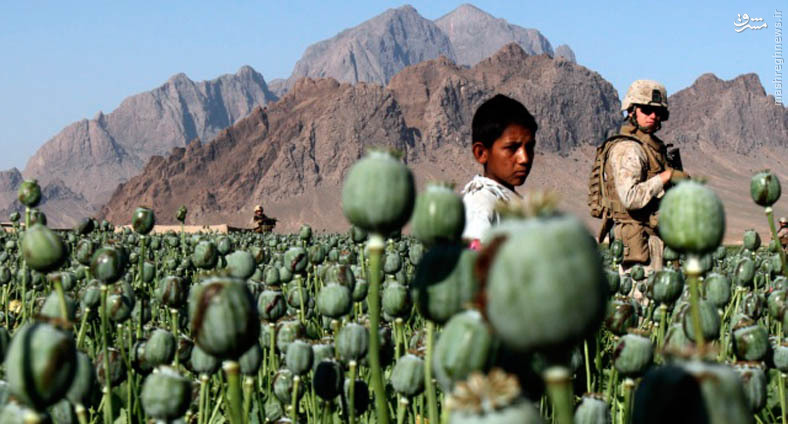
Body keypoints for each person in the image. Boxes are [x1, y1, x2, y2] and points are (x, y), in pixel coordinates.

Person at [591, 80, 689, 280]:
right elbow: (630, 197)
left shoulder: (652, 148)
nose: (653, 116)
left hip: (653, 238)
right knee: (642, 302)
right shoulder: (629, 149)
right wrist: (666, 176)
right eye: (646, 110)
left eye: (658, 112)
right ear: (632, 111)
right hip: (638, 244)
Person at [461, 94, 538, 249]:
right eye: (512, 148)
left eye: (529, 147)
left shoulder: (505, 200)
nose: (524, 158)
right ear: (481, 153)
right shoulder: (480, 207)